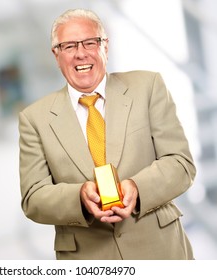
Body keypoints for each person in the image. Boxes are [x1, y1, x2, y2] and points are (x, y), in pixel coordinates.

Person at [18, 8, 196, 260]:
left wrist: (137, 187)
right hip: (87, 258)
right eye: (69, 46)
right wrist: (78, 197)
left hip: (160, 249)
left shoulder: (148, 87)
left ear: (105, 46)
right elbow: (33, 198)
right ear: (56, 55)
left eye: (90, 42)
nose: (81, 53)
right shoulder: (34, 118)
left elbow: (181, 164)